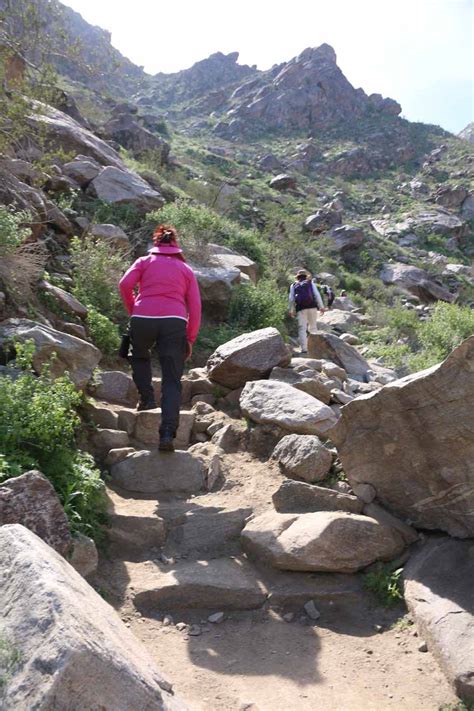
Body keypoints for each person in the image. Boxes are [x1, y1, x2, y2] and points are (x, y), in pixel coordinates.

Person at [119, 224, 201, 452]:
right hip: (174, 322)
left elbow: (125, 284)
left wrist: (133, 308)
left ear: (156, 243)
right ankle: (167, 433)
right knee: (172, 380)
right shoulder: (185, 269)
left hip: (143, 316)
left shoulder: (144, 262)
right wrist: (190, 338)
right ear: (176, 245)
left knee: (139, 355)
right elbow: (195, 307)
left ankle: (146, 398)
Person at [288, 269, 325, 353]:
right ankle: (314, 348)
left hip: (301, 309)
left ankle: (304, 349)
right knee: (313, 327)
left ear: (297, 277)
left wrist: (290, 310)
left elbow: (291, 299)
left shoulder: (293, 285)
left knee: (302, 328)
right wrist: (321, 307)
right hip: (312, 307)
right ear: (306, 276)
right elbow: (317, 295)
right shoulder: (310, 283)